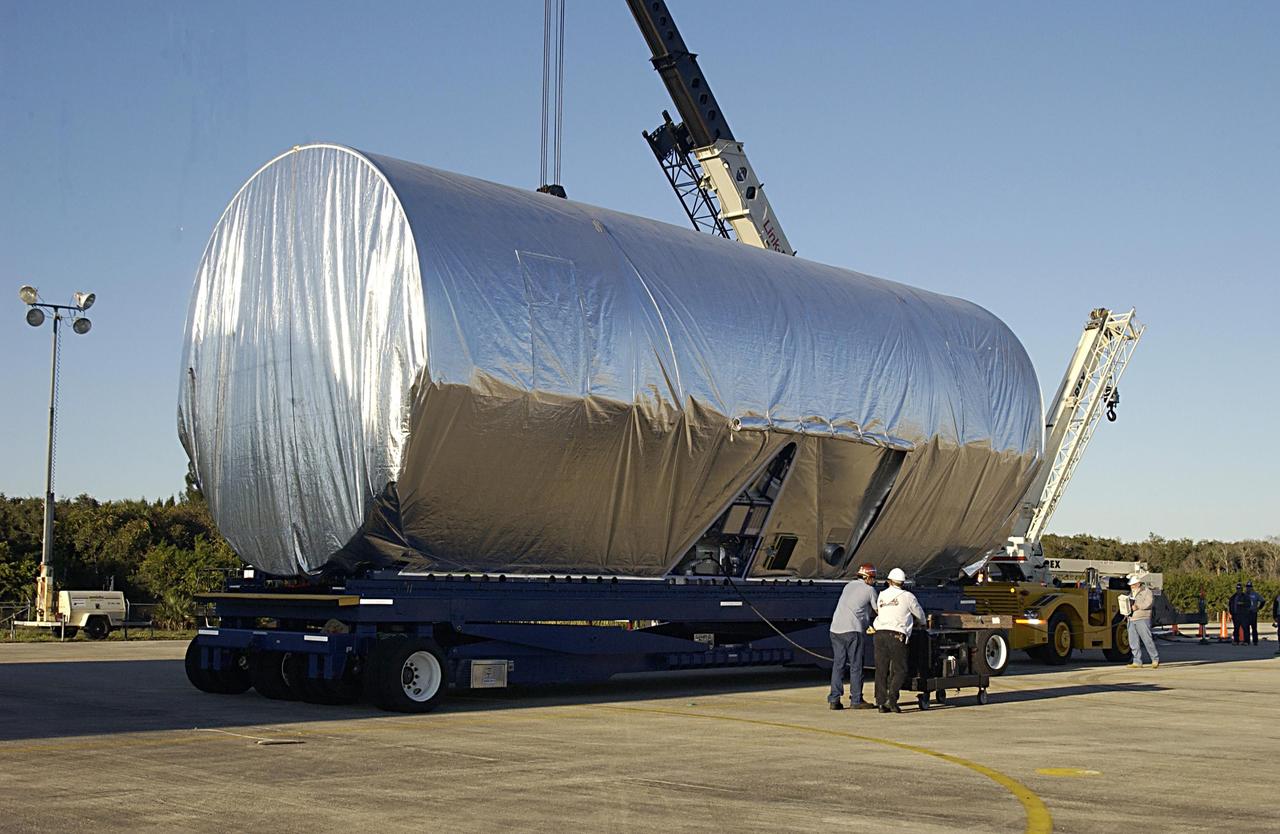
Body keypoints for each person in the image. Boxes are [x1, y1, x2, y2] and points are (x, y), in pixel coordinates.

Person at [871, 567, 926, 713]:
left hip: (880, 634)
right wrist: (922, 622)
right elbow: (919, 614)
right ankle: (892, 699)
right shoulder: (908, 596)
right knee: (900, 670)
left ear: (889, 581)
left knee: (881, 670)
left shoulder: (882, 595)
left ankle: (881, 702)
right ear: (903, 582)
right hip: (896, 635)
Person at [827, 563, 879, 710]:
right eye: (873, 578)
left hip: (836, 629)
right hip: (852, 630)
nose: (874, 581)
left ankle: (834, 699)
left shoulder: (848, 585)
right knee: (856, 666)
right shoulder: (870, 590)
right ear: (868, 577)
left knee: (838, 665)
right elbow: (877, 610)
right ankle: (856, 699)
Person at [1126, 575, 1159, 669]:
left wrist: (1138, 606)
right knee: (1133, 642)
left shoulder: (1147, 592)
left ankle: (1155, 659)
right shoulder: (1130, 594)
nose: (1131, 586)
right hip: (1131, 619)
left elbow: (1148, 603)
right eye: (1131, 585)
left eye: (1133, 585)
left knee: (1147, 640)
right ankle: (1137, 661)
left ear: (1138, 584)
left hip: (1142, 618)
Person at [1245, 581, 1264, 646]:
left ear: (1252, 587)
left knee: (1254, 628)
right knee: (1246, 627)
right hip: (1246, 613)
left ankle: (1255, 641)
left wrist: (1259, 608)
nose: (1248, 588)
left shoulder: (1255, 594)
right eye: (1247, 587)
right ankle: (1247, 641)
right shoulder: (1244, 595)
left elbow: (1262, 601)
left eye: (1249, 587)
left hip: (1253, 612)